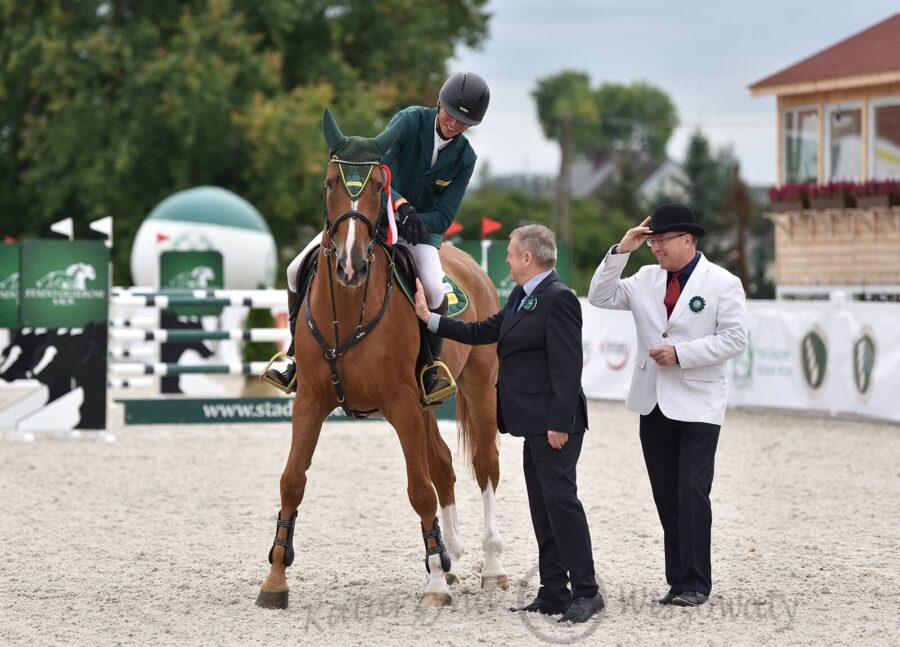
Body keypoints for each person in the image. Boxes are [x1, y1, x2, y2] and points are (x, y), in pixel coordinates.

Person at [415, 224, 604, 624]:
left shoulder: (560, 299)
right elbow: (483, 330)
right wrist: (431, 321)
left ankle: (587, 591)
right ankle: (553, 590)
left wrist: (559, 422)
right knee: (542, 507)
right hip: (531, 423)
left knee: (563, 506)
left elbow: (569, 367)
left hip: (556, 425)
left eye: (511, 254)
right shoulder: (523, 296)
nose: (506, 260)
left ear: (527, 258)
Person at [263, 72, 490, 396]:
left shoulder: (465, 158)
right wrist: (399, 205)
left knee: (435, 291)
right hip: (371, 219)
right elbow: (374, 171)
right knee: (295, 268)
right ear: (440, 104)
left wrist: (418, 222)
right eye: (451, 114)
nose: (454, 123)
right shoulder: (410, 122)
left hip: (419, 236)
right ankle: (294, 356)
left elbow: (445, 214)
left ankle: (431, 367)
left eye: (463, 121)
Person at [587, 203, 747, 607]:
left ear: (688, 239)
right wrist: (622, 249)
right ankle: (677, 581)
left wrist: (682, 353)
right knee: (666, 494)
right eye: (652, 240)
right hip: (653, 401)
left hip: (699, 403)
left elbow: (734, 339)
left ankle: (696, 582)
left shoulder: (723, 283)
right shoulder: (643, 278)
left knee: (693, 490)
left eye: (662, 241)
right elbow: (600, 295)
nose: (655, 248)